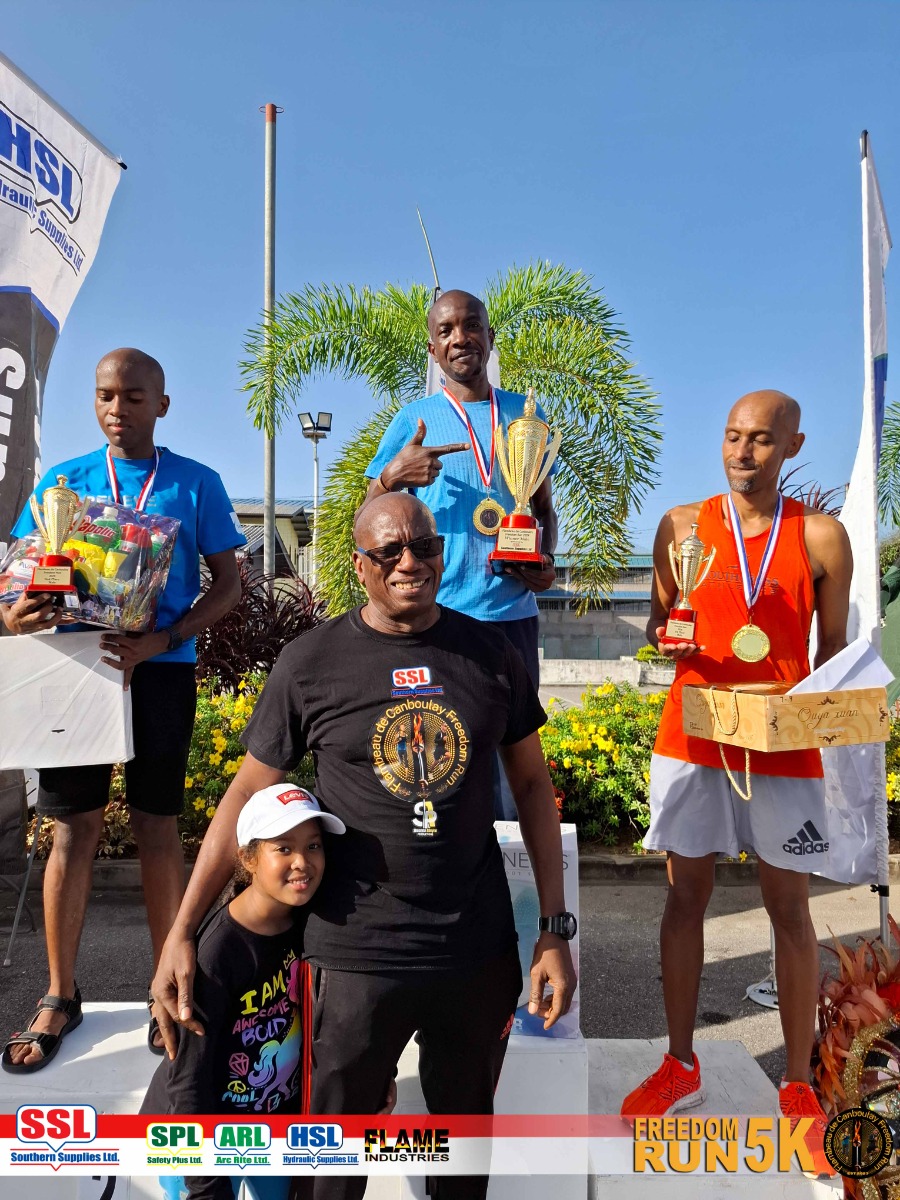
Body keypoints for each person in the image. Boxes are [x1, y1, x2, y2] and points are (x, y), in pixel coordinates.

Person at [151, 491, 577, 1200]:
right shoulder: (311, 662)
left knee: (462, 1156)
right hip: (355, 955)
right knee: (334, 1164)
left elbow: (532, 785)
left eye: (425, 546)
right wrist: (182, 931)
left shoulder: (491, 653)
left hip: (474, 952)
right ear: (360, 565)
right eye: (390, 551)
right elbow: (245, 796)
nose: (411, 562)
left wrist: (554, 931)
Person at [1, 348, 244, 1072]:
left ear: (161, 405)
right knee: (70, 831)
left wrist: (164, 639)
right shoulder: (62, 482)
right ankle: (59, 993)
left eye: (134, 397)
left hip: (160, 671)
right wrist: (16, 615)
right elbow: (19, 583)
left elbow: (229, 585)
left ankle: (166, 988)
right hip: (76, 671)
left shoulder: (197, 483)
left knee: (157, 829)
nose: (118, 409)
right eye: (106, 395)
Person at [620, 390, 852, 1147]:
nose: (742, 453)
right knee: (685, 900)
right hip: (694, 738)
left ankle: (797, 1080)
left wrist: (834, 718)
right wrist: (667, 636)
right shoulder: (682, 526)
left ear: (792, 445)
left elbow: (832, 654)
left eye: (760, 439)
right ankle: (678, 1064)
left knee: (790, 910)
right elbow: (659, 622)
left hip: (783, 741)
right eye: (731, 437)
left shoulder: (820, 536)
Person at [365, 289, 559, 818]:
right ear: (432, 350)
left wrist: (545, 562)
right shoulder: (414, 419)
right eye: (446, 330)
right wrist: (391, 476)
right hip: (438, 616)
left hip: (512, 616)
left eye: (471, 325)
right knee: (440, 753)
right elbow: (368, 516)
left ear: (490, 337)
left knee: (514, 758)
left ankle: (512, 866)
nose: (460, 338)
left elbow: (543, 507)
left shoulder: (525, 413)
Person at [141, 785, 344, 1200]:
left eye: (313, 846)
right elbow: (188, 1080)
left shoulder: (310, 925)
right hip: (200, 1139)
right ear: (248, 858)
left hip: (274, 1128)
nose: (302, 861)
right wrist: (205, 1186)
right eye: (283, 848)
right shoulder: (216, 955)